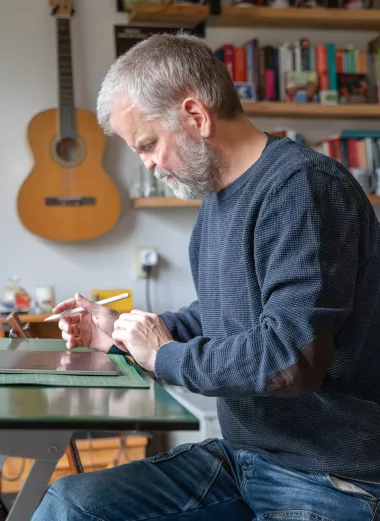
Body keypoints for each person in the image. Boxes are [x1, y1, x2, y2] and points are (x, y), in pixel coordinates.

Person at [32, 32, 380, 521]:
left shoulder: (302, 189)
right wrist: (125, 332)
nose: (148, 164)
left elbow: (291, 363)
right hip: (246, 458)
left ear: (195, 116)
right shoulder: (217, 203)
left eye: (149, 144)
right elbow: (224, 317)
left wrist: (166, 356)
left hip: (329, 476)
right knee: (69, 504)